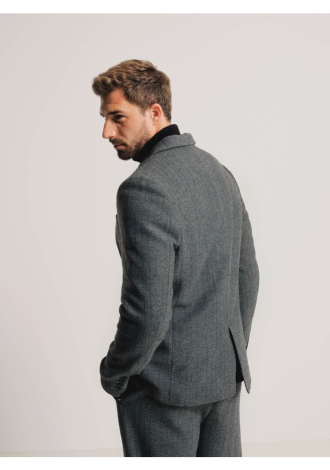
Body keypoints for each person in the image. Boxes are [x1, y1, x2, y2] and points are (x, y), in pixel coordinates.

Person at [92, 59, 259, 457]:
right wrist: (226, 357)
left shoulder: (143, 188)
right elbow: (248, 276)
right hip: (223, 379)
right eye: (104, 119)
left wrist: (115, 373)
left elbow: (147, 310)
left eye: (117, 117)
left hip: (162, 391)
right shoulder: (219, 172)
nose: (106, 132)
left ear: (155, 112)